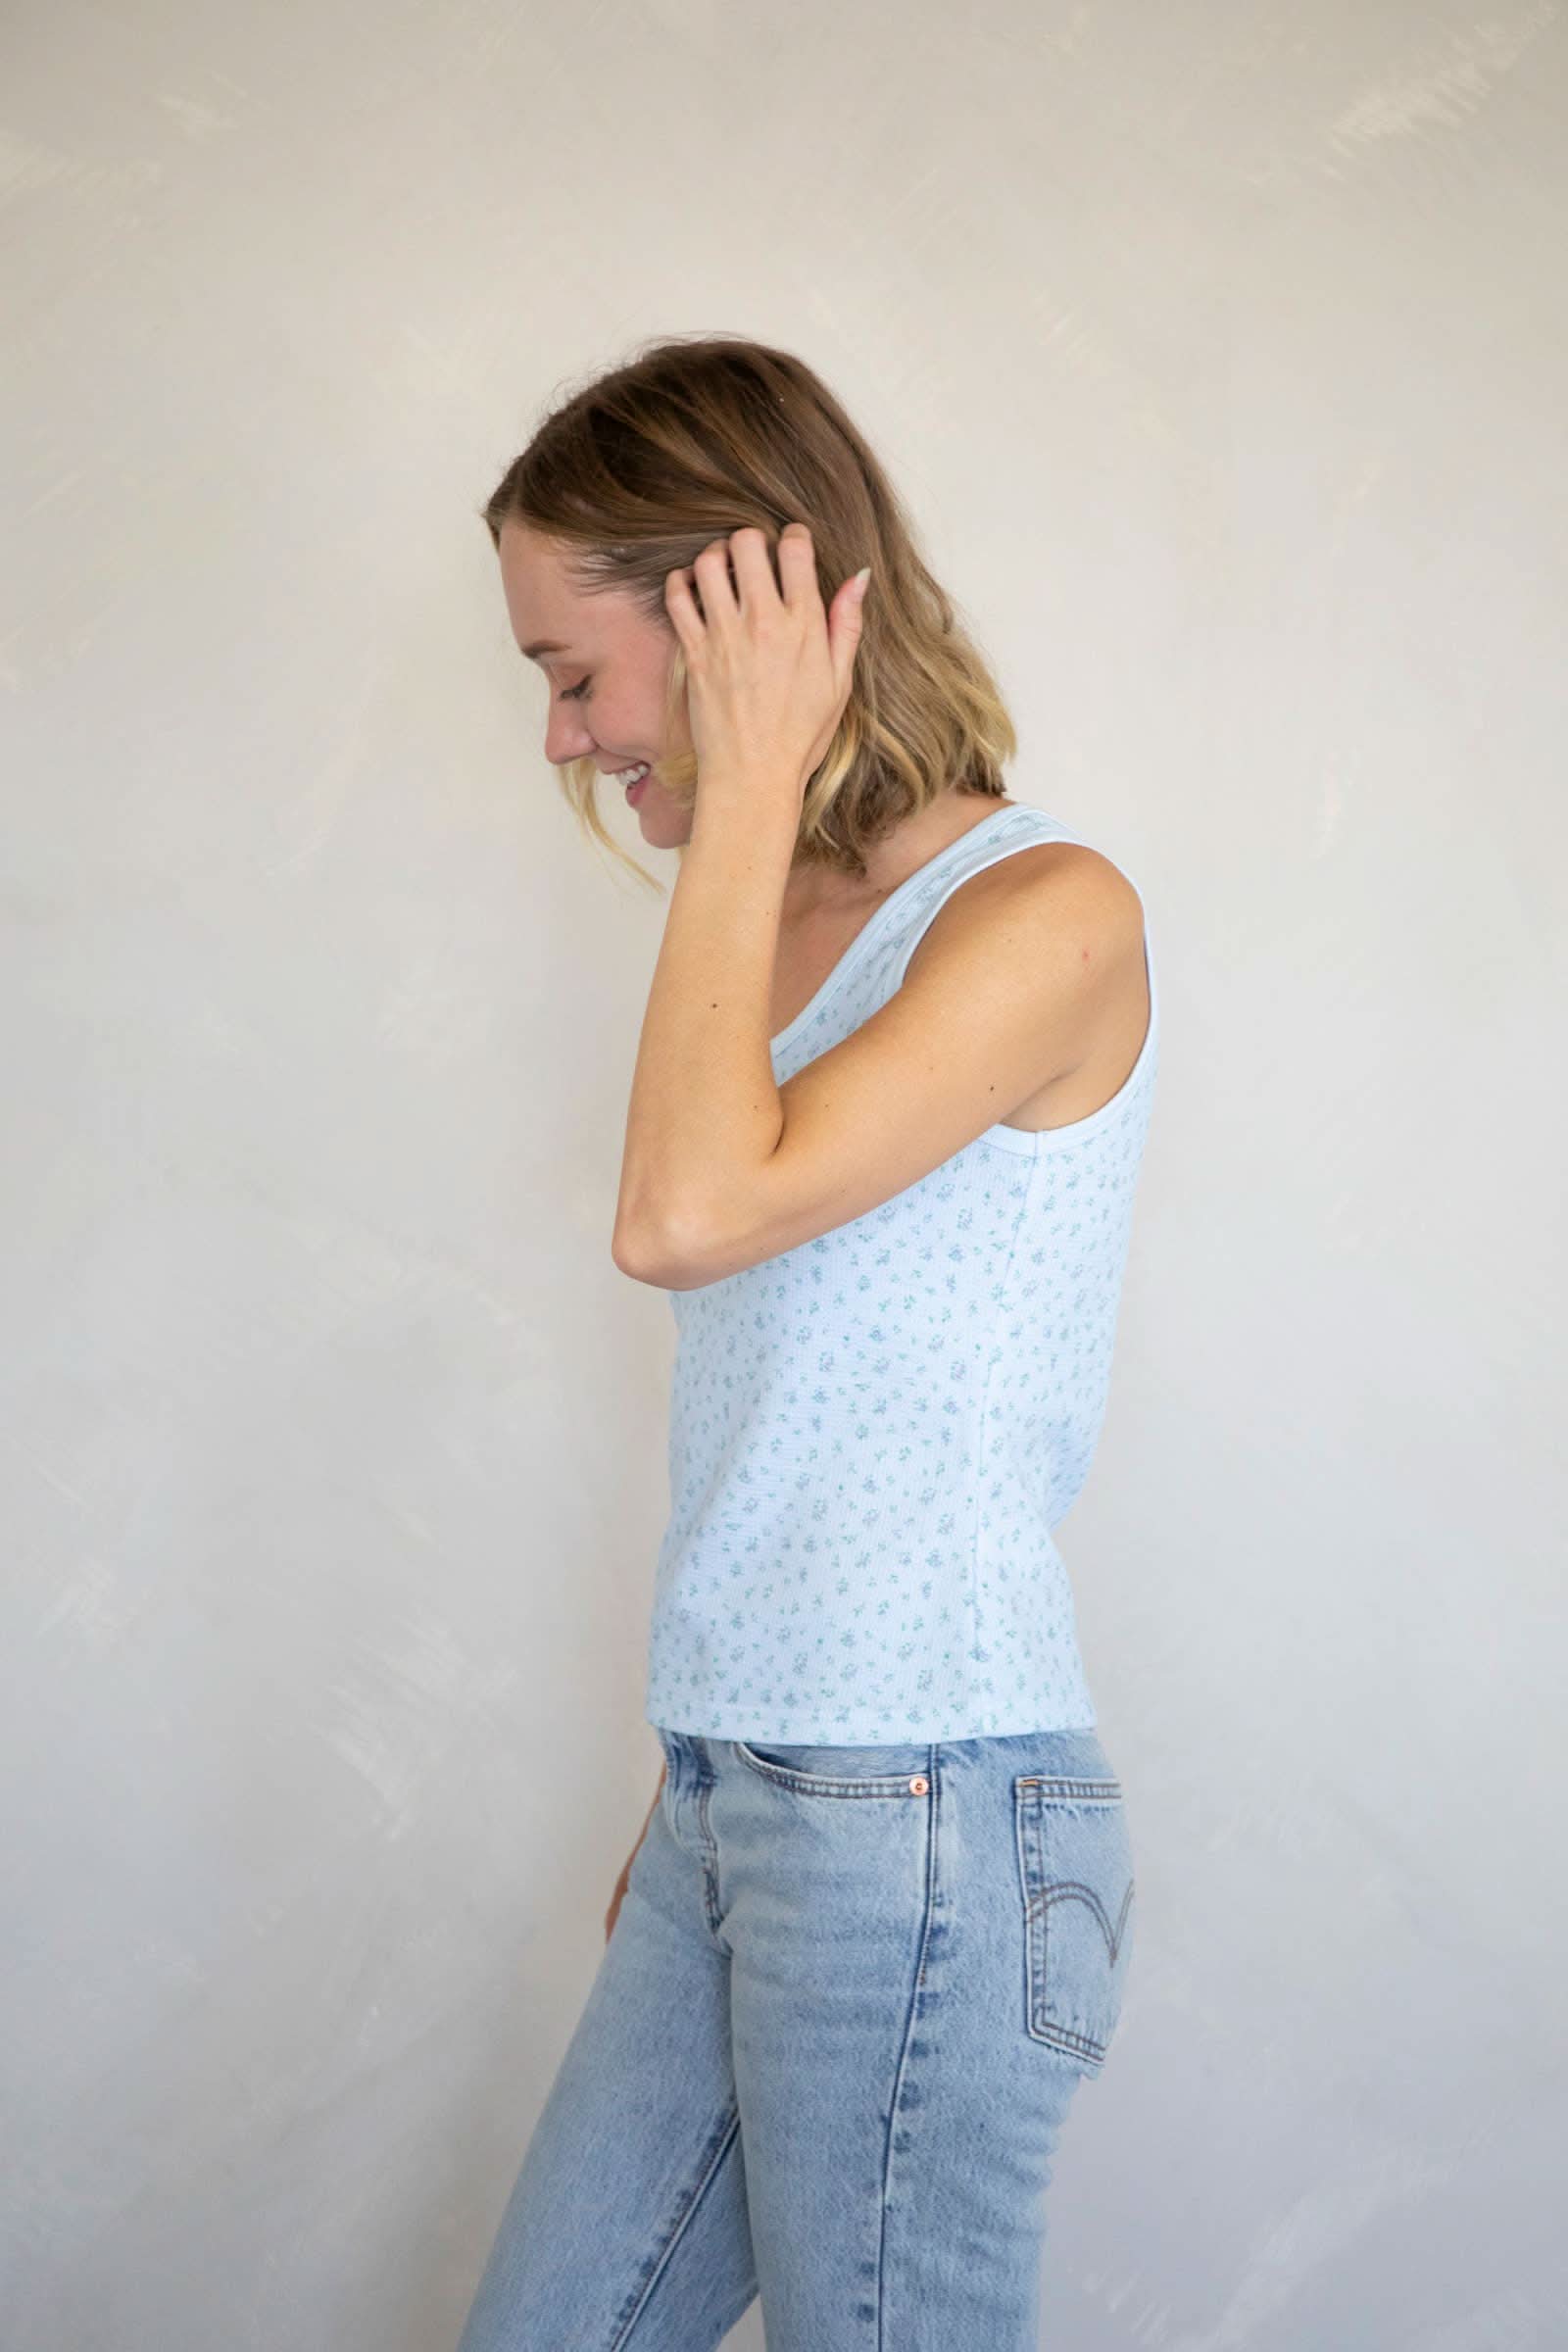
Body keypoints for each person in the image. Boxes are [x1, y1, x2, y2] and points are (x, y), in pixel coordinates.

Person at [454, 336, 1158, 2352]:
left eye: (573, 675)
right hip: (739, 1792)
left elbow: (680, 1219)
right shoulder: (753, 927)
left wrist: (752, 771)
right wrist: (697, 1779)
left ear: (739, 616)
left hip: (921, 1811)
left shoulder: (1044, 916)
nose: (567, 743)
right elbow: (769, 1384)